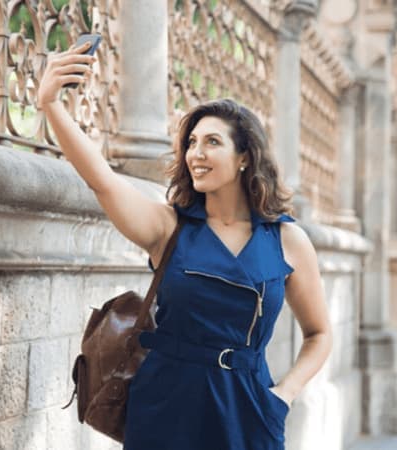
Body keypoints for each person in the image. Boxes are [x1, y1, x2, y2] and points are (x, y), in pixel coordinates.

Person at [37, 40, 332, 450]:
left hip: (248, 409)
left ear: (245, 156)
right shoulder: (168, 227)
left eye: (212, 142)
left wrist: (283, 395)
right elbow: (102, 181)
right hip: (165, 406)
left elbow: (318, 334)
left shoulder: (287, 240)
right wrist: (51, 104)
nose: (196, 153)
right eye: (191, 143)